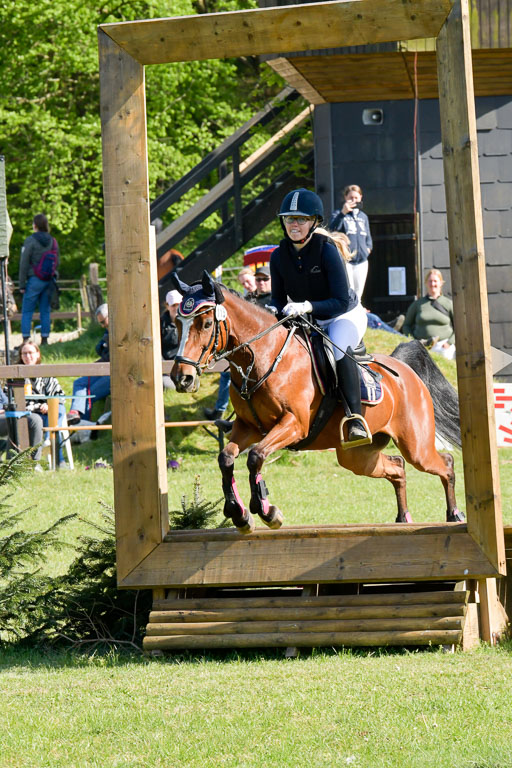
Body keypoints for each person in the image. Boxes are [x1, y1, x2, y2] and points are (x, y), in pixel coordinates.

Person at [269, 188, 370, 446]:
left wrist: (307, 306)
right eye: (290, 219)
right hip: (308, 318)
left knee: (337, 348)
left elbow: (341, 300)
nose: (294, 224)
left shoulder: (327, 251)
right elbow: (278, 300)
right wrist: (272, 312)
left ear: (314, 221)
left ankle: (355, 419)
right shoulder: (278, 256)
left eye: (301, 219)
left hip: (344, 315)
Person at [13, 340, 67, 469]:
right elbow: (14, 400)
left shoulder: (46, 373)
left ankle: (49, 441)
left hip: (47, 413)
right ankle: (58, 461)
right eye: (24, 353)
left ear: (37, 354)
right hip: (28, 414)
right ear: (20, 356)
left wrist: (49, 405)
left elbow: (59, 395)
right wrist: (38, 407)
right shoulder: (16, 374)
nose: (27, 356)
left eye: (30, 353)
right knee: (46, 419)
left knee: (58, 409)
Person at [19, 213, 59, 345]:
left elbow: (24, 263)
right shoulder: (53, 241)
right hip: (48, 281)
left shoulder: (30, 240)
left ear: (35, 225)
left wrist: (22, 284)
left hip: (34, 280)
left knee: (27, 311)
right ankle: (45, 339)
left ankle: (26, 339)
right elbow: (57, 261)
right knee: (45, 311)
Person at [67, 304, 110, 424]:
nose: (102, 326)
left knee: (87, 394)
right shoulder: (108, 332)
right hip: (105, 368)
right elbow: (101, 350)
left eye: (103, 322)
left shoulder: (121, 331)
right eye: (100, 323)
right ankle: (75, 413)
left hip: (117, 374)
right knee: (79, 383)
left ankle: (82, 428)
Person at [329, 184, 372, 300]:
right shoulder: (338, 214)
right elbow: (331, 230)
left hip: (362, 259)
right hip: (346, 259)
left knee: (359, 291)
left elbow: (368, 236)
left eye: (356, 198)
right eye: (351, 198)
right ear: (345, 198)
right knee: (349, 289)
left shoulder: (363, 217)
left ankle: (357, 312)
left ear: (361, 198)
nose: (354, 200)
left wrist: (368, 248)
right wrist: (342, 213)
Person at [402, 269, 456, 359]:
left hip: (444, 347)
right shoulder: (417, 304)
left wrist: (449, 343)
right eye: (430, 281)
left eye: (435, 281)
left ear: (441, 283)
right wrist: (413, 342)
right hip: (422, 347)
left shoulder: (448, 303)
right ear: (426, 283)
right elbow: (406, 325)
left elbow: (458, 327)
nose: (432, 284)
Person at [161, 289, 182, 389]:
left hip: (185, 366)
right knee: (168, 386)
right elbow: (157, 351)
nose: (176, 308)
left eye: (178, 304)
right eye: (173, 305)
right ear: (167, 306)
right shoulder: (160, 325)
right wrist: (166, 369)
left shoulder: (189, 322)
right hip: (166, 370)